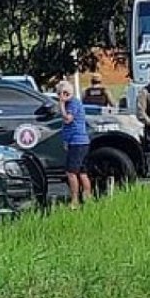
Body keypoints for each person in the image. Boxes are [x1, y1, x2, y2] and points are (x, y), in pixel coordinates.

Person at [56, 80, 92, 208]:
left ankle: (75, 200)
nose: (61, 95)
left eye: (64, 93)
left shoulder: (72, 104)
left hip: (77, 142)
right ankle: (87, 197)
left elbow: (67, 119)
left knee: (71, 172)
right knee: (82, 171)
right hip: (77, 142)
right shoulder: (72, 103)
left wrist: (61, 103)